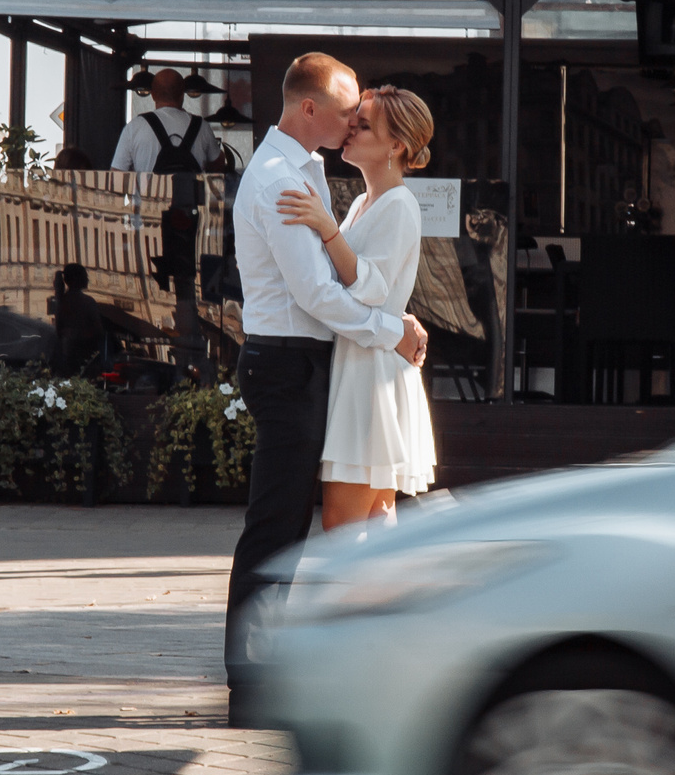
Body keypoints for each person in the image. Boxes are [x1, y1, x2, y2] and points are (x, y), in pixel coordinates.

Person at [225, 52, 427, 712]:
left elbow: (365, 273)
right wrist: (391, 327)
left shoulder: (310, 172)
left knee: (354, 527)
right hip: (291, 362)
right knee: (281, 528)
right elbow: (316, 291)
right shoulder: (282, 178)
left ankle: (371, 669)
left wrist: (392, 319)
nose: (349, 125)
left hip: (326, 367)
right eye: (347, 113)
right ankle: (252, 686)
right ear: (309, 108)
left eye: (361, 120)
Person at [277, 86, 438, 532]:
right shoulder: (368, 203)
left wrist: (327, 228)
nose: (351, 129)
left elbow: (368, 286)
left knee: (342, 527)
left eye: (363, 125)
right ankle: (390, 603)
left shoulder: (398, 204)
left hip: (370, 375)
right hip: (366, 365)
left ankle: (365, 603)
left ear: (396, 145)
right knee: (373, 520)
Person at [109, 69, 222, 173]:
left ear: (153, 95)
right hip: (191, 195)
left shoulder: (134, 127)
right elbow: (219, 166)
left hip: (147, 195)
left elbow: (116, 177)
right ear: (182, 95)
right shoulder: (202, 127)